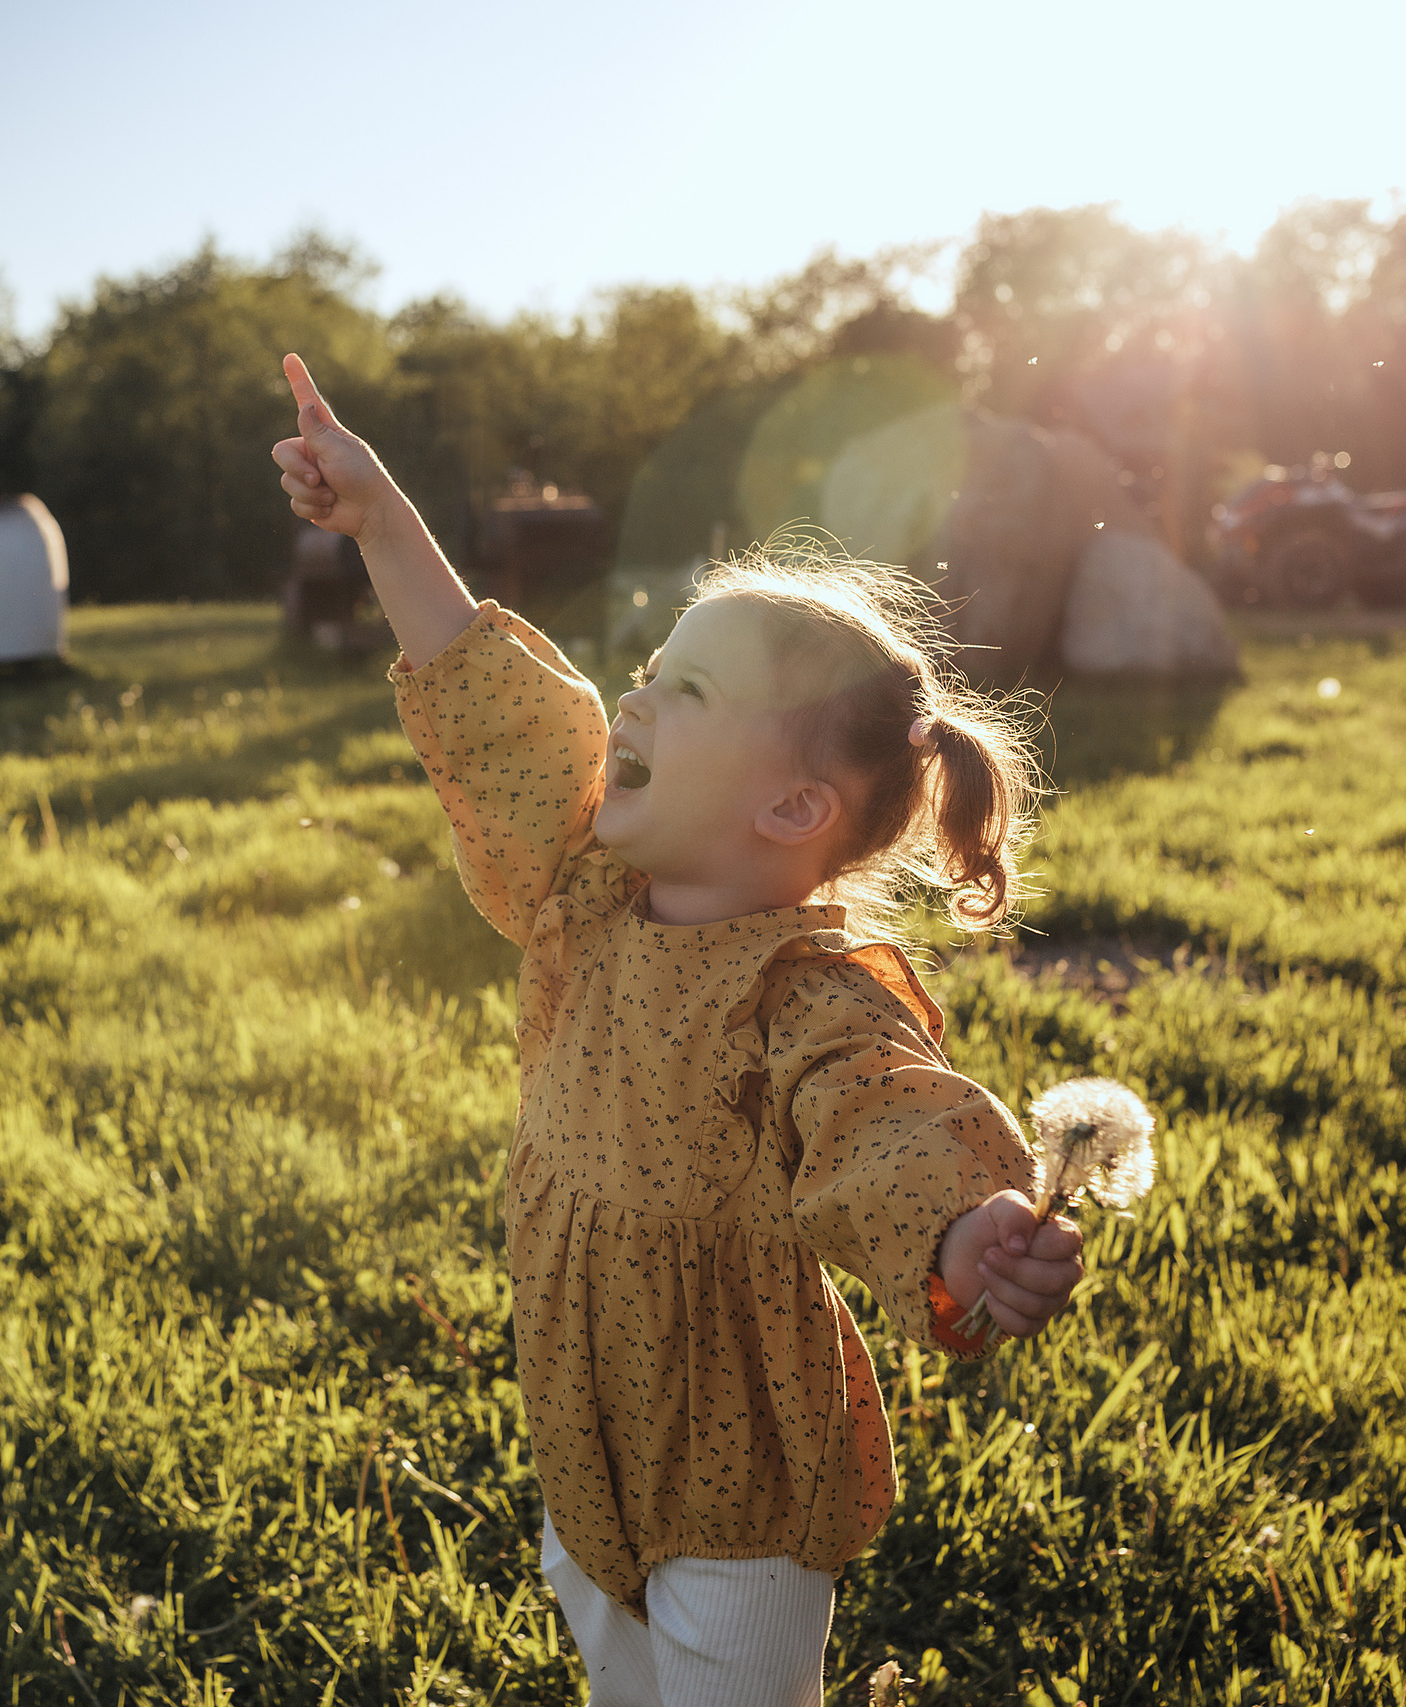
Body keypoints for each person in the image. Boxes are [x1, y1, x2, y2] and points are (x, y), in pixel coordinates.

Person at [271, 353, 1086, 1707]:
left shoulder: (808, 992)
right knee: (621, 1679)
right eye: (653, 671)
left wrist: (963, 1232)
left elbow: (883, 1114)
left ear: (791, 810)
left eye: (688, 694)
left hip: (738, 1469)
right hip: (582, 1421)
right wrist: (382, 522)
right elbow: (501, 715)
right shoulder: (586, 897)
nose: (634, 701)